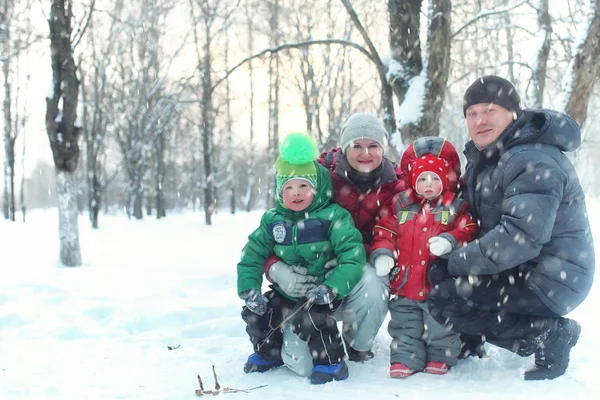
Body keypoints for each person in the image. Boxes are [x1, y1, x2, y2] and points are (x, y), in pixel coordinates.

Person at [427, 75, 595, 381]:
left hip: (554, 279)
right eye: (471, 113)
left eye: (490, 110)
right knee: (446, 282)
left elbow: (520, 238)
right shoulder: (489, 159)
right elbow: (467, 214)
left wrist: (454, 263)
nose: (480, 120)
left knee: (448, 297)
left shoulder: (532, 158)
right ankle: (472, 337)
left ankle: (550, 335)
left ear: (513, 113)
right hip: (526, 268)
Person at [264, 112, 408, 377]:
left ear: (383, 148)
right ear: (344, 147)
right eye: (356, 145)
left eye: (373, 145)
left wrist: (350, 258)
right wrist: (275, 269)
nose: (365, 152)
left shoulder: (397, 186)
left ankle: (357, 345)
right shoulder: (317, 175)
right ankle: (297, 335)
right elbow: (275, 229)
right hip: (309, 273)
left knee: (375, 278)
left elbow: (397, 237)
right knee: (303, 365)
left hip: (356, 272)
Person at [237, 132, 366, 385]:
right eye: (289, 187)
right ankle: (268, 352)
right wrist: (249, 289)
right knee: (259, 314)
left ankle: (331, 362)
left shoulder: (333, 216)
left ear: (317, 189)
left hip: (321, 289)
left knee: (312, 320)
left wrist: (332, 286)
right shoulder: (273, 220)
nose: (296, 193)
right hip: (285, 290)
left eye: (303, 186)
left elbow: (353, 255)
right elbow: (252, 255)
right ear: (279, 191)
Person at [370, 137, 477, 378]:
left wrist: (450, 240)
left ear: (446, 180)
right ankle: (405, 357)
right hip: (406, 282)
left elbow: (468, 230)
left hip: (437, 283)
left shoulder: (455, 207)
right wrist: (384, 254)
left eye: (434, 179)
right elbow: (385, 231)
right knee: (405, 324)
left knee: (440, 322)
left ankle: (441, 354)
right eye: (422, 179)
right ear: (412, 181)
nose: (428, 184)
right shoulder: (400, 205)